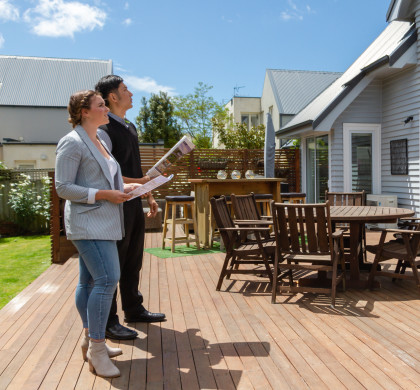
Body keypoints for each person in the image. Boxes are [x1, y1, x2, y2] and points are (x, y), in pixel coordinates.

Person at [55, 90, 141, 378]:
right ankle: (97, 348)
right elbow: (63, 188)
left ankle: (88, 339)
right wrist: (104, 194)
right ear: (84, 112)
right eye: (101, 105)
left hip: (105, 221)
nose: (107, 108)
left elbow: (109, 176)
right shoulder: (71, 142)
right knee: (107, 279)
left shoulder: (101, 139)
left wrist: (126, 188)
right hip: (88, 224)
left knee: (89, 281)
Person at [95, 75, 166, 341]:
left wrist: (149, 195)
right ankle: (110, 321)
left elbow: (135, 170)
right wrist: (142, 184)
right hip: (117, 206)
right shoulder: (104, 131)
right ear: (113, 97)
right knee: (116, 263)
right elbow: (109, 174)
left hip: (135, 203)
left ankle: (134, 310)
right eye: (125, 90)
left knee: (134, 259)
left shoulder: (130, 127)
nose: (131, 93)